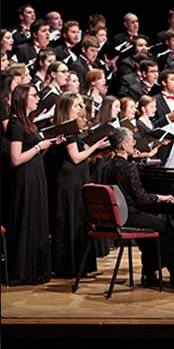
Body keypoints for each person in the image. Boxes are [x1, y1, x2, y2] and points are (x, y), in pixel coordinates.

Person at [101, 127, 174, 288]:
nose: (134, 143)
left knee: (152, 231)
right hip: (129, 215)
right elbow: (141, 198)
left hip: (117, 215)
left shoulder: (107, 167)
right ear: (123, 145)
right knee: (166, 227)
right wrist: (159, 197)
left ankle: (149, 273)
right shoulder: (129, 168)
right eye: (131, 141)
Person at [6, 84, 64, 285]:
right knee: (26, 221)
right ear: (23, 98)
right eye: (34, 96)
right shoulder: (15, 125)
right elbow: (16, 158)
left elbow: (35, 152)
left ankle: (36, 270)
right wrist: (39, 146)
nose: (37, 99)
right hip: (25, 179)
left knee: (37, 221)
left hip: (36, 175)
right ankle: (22, 271)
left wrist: (48, 145)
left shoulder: (29, 124)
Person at [50, 92, 110, 278]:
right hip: (70, 180)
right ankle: (69, 266)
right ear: (67, 107)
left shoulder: (73, 129)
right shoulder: (67, 129)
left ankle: (80, 264)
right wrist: (95, 146)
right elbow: (75, 157)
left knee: (78, 219)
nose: (80, 108)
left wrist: (94, 147)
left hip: (76, 178)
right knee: (70, 218)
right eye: (77, 105)